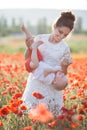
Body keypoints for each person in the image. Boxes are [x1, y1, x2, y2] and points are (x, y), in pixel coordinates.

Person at [21, 11, 75, 117]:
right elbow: (27, 58)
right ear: (54, 26)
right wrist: (28, 48)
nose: (61, 36)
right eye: (60, 32)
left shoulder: (64, 48)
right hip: (36, 83)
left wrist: (65, 66)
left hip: (52, 86)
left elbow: (63, 73)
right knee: (31, 114)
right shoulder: (40, 38)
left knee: (50, 117)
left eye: (65, 35)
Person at [21, 24, 68, 90]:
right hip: (37, 60)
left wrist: (54, 70)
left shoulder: (49, 80)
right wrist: (62, 65)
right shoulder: (54, 76)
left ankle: (34, 48)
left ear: (55, 81)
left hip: (31, 66)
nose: (63, 75)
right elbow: (59, 67)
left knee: (36, 63)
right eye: (60, 32)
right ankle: (26, 31)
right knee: (31, 43)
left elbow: (46, 70)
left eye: (62, 77)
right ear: (55, 27)